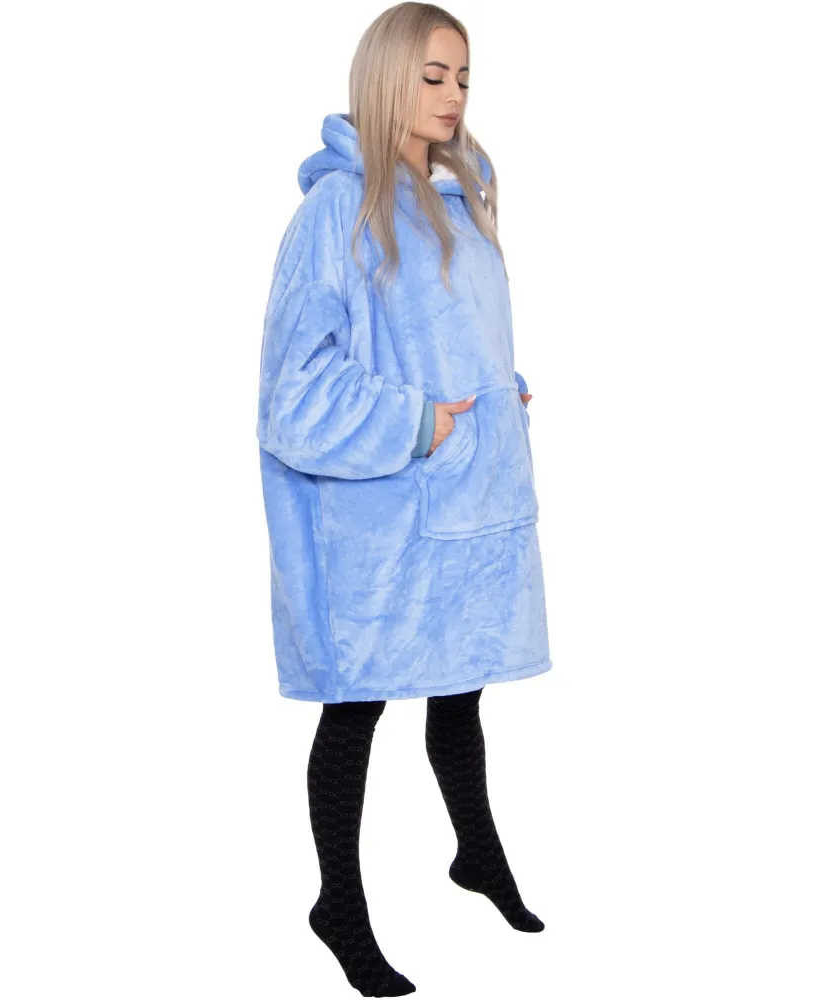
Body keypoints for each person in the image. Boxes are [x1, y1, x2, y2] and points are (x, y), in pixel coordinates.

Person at [256, 4, 550, 995]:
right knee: (357, 710)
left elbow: (457, 344)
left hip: (465, 503)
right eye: (432, 76)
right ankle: (337, 903)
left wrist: (497, 398)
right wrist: (419, 421)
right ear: (386, 77)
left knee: (461, 686)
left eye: (463, 77)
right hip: (379, 524)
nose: (453, 95)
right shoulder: (338, 212)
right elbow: (294, 394)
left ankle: (476, 852)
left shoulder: (460, 199)